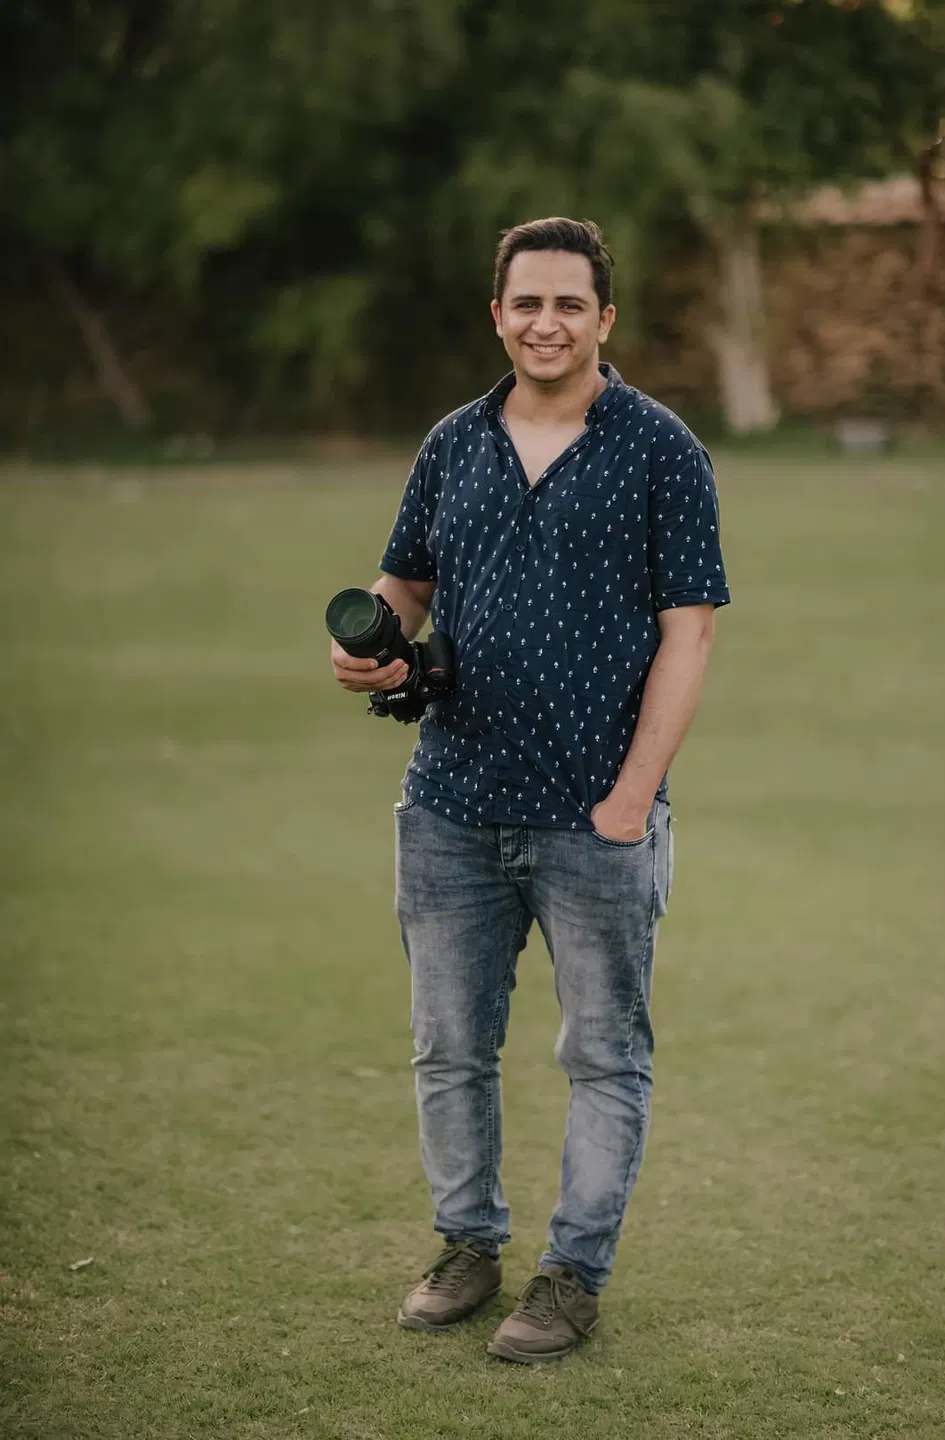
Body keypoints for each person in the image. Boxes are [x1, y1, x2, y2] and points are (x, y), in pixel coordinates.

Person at [330, 217, 730, 1363]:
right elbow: (403, 583)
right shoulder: (452, 443)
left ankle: (571, 1276)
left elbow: (689, 634)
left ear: (604, 318)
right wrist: (368, 643)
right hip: (449, 804)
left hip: (596, 817)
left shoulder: (660, 449)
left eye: (567, 304)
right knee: (449, 1048)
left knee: (603, 1057)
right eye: (525, 303)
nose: (544, 323)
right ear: (496, 316)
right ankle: (466, 1247)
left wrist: (630, 800)